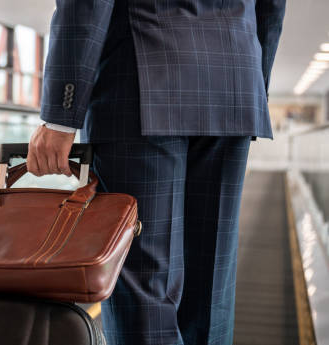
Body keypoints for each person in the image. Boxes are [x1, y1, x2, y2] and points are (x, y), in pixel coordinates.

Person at [26, 0, 286, 344]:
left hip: (140, 77)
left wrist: (61, 114)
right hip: (235, 83)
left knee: (144, 283)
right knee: (210, 287)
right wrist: (253, 80)